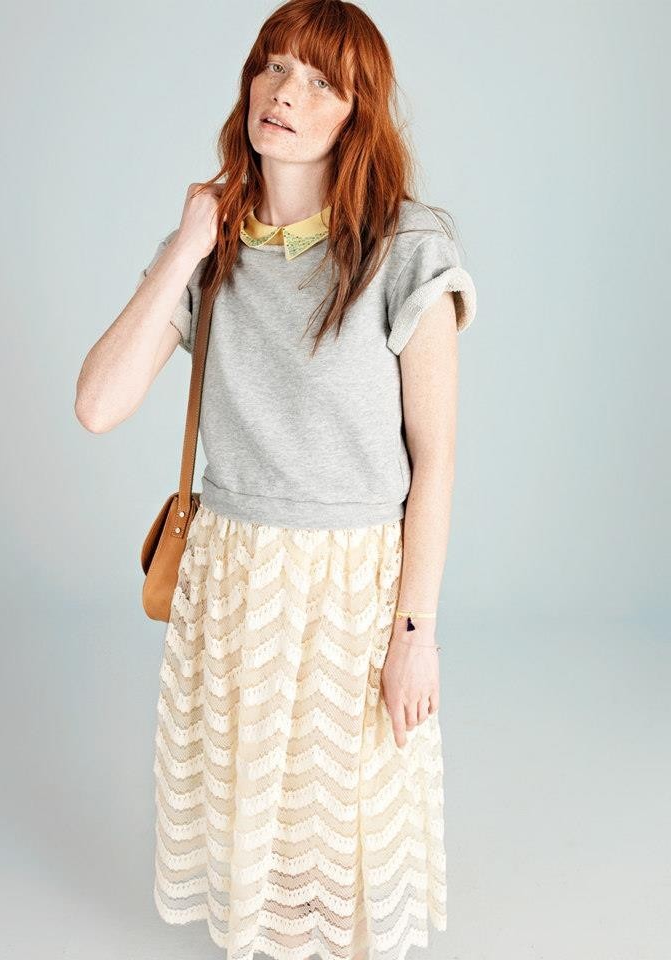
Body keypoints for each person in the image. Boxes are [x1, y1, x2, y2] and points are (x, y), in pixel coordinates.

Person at [75, 1, 477, 957]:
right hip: (234, 576)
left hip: (353, 582)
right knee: (261, 827)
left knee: (343, 837)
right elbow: (97, 404)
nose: (285, 93)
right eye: (275, 66)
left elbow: (435, 459)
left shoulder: (407, 246)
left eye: (320, 81)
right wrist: (185, 249)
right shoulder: (213, 247)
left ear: (356, 114)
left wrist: (415, 634)